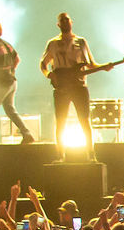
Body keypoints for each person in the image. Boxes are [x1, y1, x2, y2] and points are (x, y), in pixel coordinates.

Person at [38, 12, 99, 157]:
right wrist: (49, 74)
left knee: (84, 120)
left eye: (67, 20)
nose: (65, 23)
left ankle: (90, 153)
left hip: (79, 86)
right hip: (61, 87)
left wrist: (105, 66)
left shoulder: (81, 42)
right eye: (62, 21)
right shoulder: (53, 43)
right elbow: (43, 63)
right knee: (60, 121)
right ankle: (60, 154)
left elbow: (90, 64)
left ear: (71, 22)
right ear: (58, 25)